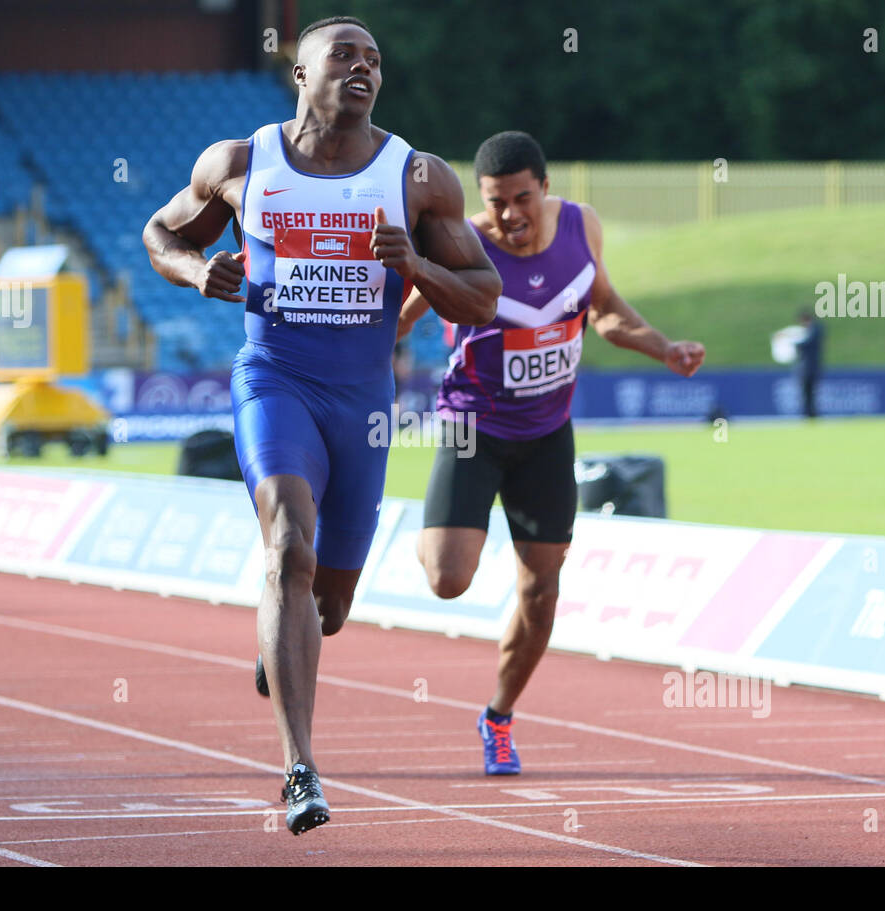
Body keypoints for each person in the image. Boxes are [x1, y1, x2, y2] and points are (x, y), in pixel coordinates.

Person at [142, 16, 499, 833]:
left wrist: (417, 266)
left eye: (375, 59)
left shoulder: (418, 180)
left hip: (364, 402)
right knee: (287, 549)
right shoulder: (239, 163)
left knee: (327, 603)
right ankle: (301, 768)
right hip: (275, 380)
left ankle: (286, 641)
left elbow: (483, 296)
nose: (363, 68)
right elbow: (160, 233)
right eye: (343, 55)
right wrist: (201, 270)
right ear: (298, 73)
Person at [396, 131, 705, 774]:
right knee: (448, 579)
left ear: (545, 187)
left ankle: (499, 717)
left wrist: (665, 348)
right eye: (494, 201)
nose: (508, 214)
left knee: (541, 590)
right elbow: (402, 317)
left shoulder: (582, 227)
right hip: (469, 427)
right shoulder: (464, 242)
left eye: (520, 199)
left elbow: (608, 313)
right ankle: (432, 526)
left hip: (546, 435)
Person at [793, 308, 823, 418]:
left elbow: (806, 344)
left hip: (810, 368)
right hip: (808, 368)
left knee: (810, 392)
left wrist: (794, 343)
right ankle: (808, 413)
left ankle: (811, 414)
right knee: (807, 393)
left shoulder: (815, 330)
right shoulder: (811, 330)